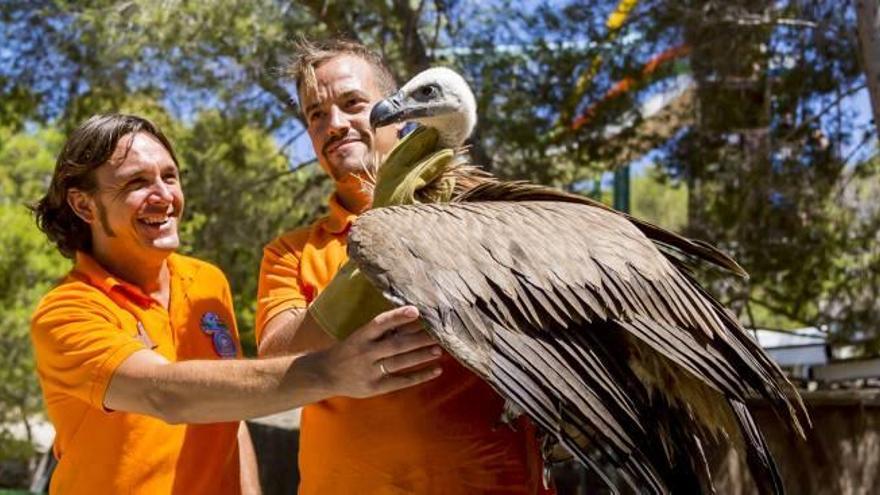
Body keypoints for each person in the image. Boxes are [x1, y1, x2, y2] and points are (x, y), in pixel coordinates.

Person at [30, 113, 442, 494]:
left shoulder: (207, 282)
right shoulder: (66, 312)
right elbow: (165, 395)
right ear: (83, 204)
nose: (163, 196)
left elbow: (228, 409)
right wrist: (332, 371)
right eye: (136, 182)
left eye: (170, 177)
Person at [256, 38, 551, 494]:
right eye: (315, 114)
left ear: (395, 111)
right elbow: (276, 364)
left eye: (353, 103)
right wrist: (377, 254)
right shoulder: (292, 253)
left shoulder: (484, 219)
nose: (334, 124)